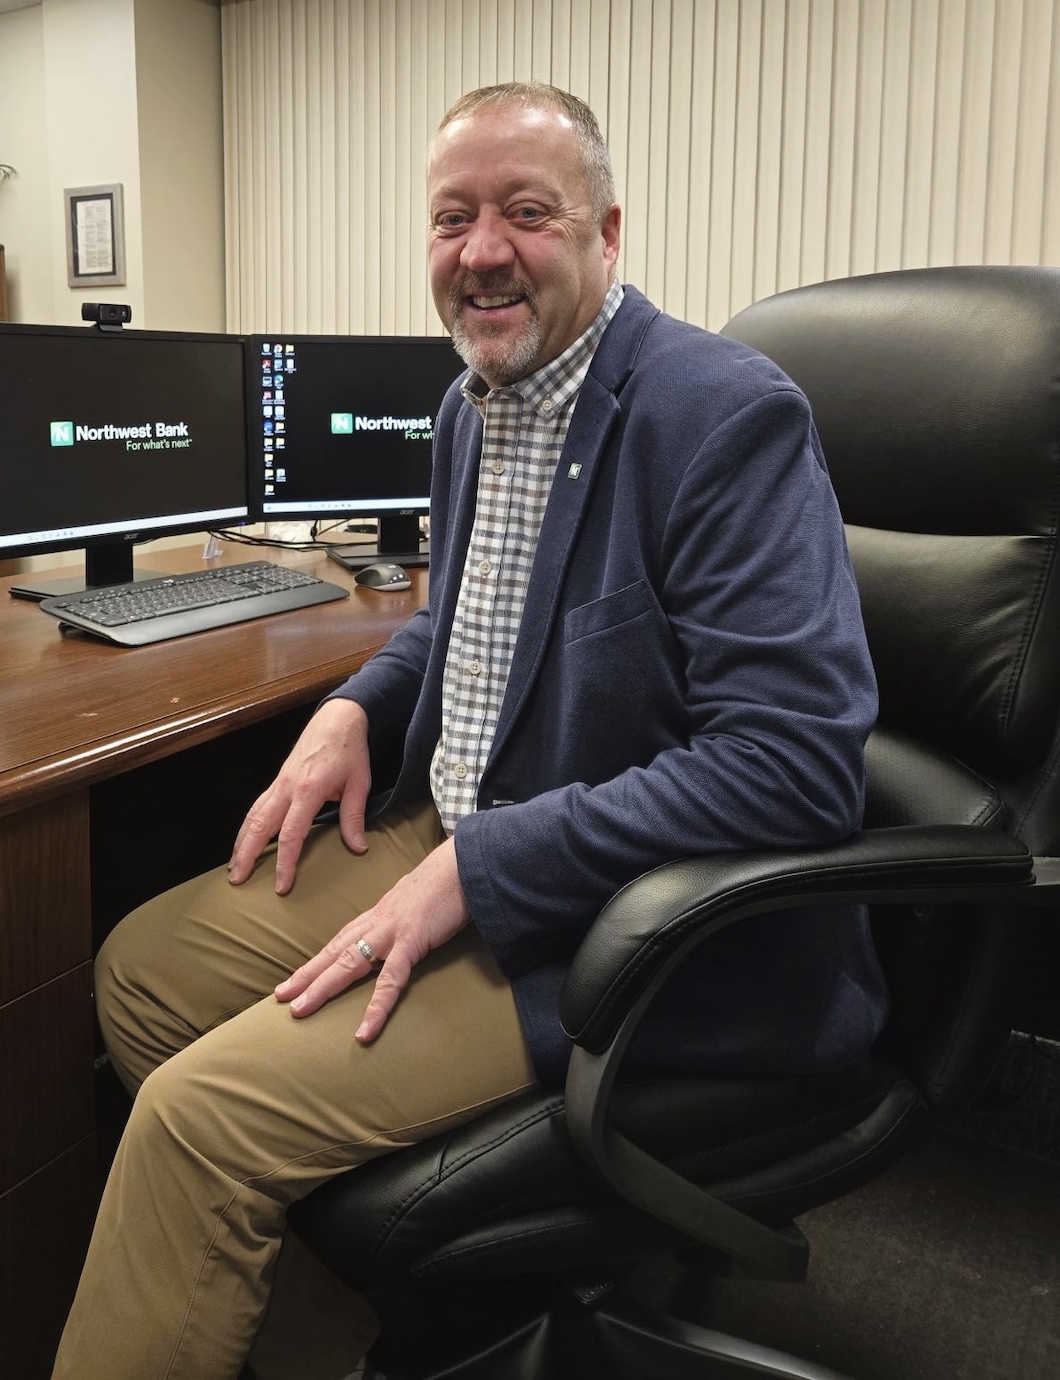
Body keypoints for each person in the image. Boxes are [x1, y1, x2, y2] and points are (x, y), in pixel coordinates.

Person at [52, 82, 887, 1380]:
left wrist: (478, 870)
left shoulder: (719, 415)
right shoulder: (475, 407)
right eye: (453, 217)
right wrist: (351, 707)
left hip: (640, 924)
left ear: (609, 233)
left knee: (195, 1124)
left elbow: (793, 764)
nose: (482, 247)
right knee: (144, 971)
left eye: (527, 212)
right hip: (468, 832)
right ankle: (349, 1343)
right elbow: (474, 627)